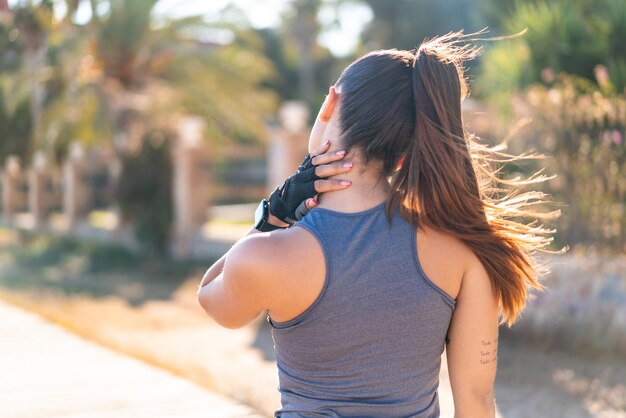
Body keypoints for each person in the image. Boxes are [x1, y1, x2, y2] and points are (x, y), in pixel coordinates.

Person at [198, 32, 557, 417]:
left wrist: (274, 214)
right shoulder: (463, 252)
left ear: (330, 104)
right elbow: (477, 404)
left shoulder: (264, 255)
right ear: (403, 155)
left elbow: (212, 299)